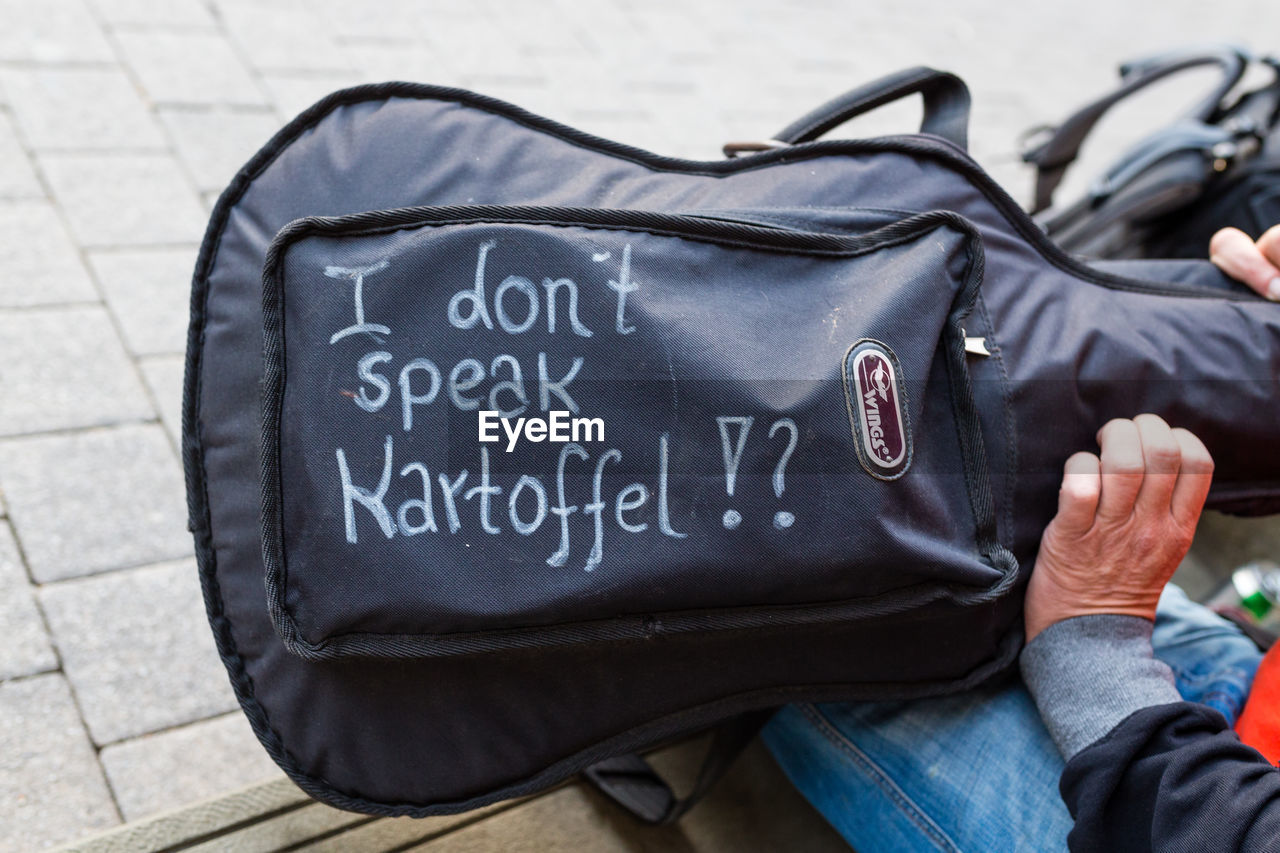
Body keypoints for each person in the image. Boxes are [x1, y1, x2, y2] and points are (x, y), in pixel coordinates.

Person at [762, 224, 1280, 852]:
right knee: (985, 554)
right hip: (1254, 704)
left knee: (825, 632)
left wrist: (1091, 646)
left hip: (1198, 820)